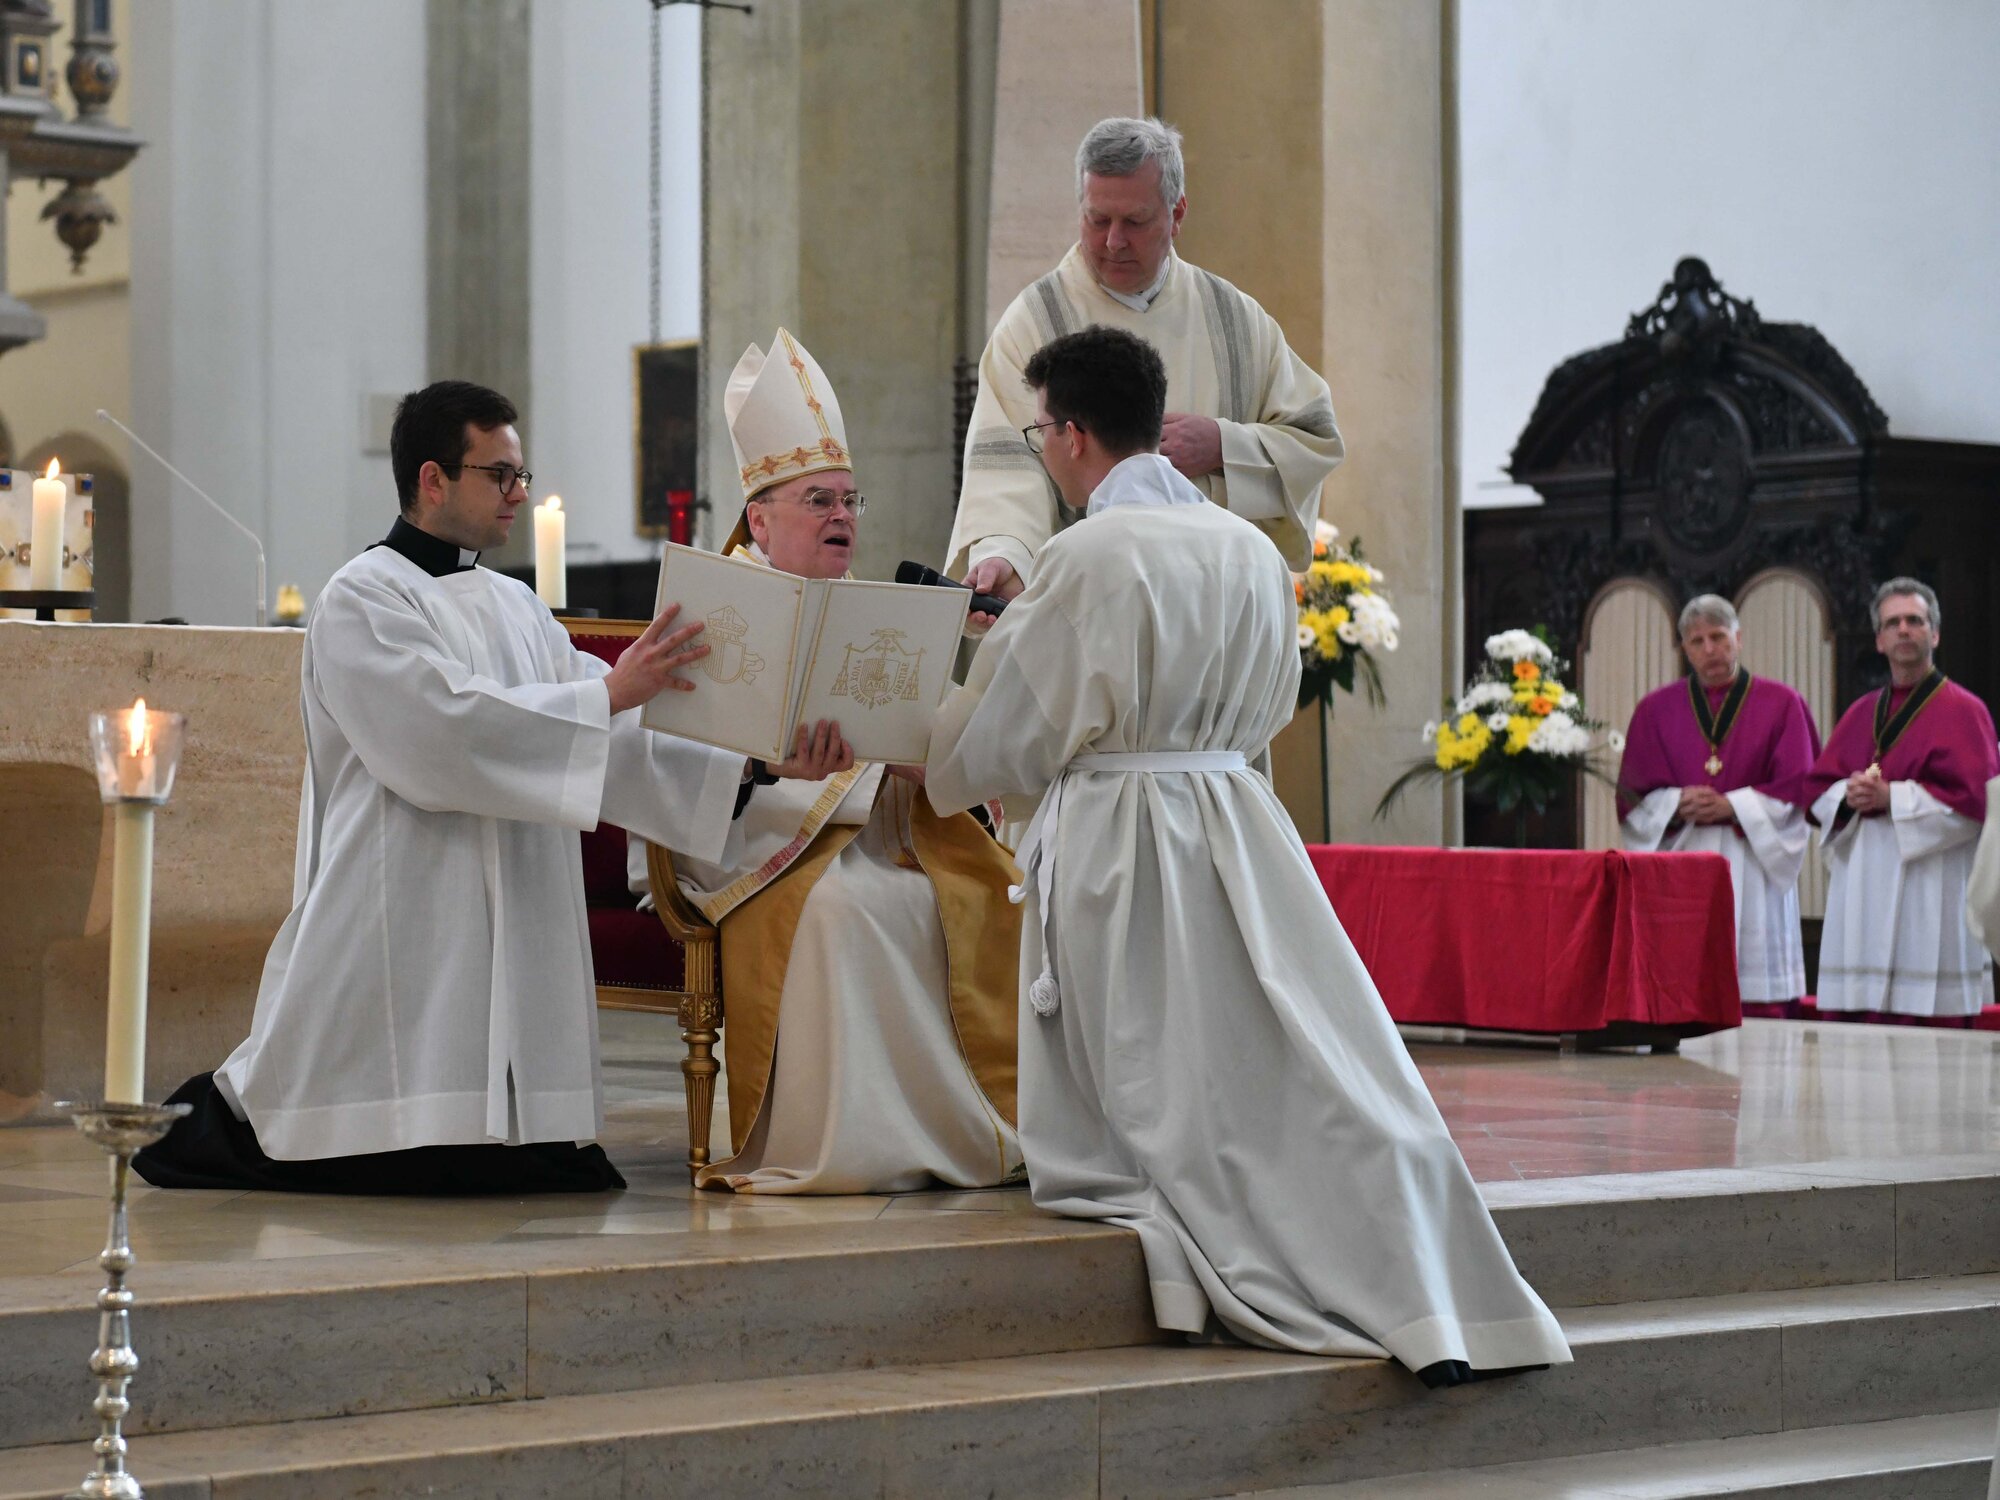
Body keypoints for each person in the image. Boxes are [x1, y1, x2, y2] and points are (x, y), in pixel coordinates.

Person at [924, 325, 1570, 1385]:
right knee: (1271, 1056)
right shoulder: (1252, 553)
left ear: (1075, 434)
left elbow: (1011, 735)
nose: (1042, 452)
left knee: (1162, 1093)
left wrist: (920, 729)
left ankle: (1274, 1252)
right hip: (1236, 818)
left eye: (1041, 432)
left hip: (1121, 837)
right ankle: (1418, 1275)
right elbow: (1261, 705)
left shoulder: (1083, 556)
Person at [136, 381, 841, 1195]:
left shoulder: (516, 605)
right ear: (433, 479)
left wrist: (756, 763)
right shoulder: (362, 598)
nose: (519, 494)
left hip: (516, 876)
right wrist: (610, 691)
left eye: (520, 475)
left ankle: (513, 1131)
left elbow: (612, 738)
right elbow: (441, 734)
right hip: (403, 882)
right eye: (499, 475)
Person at [634, 329, 1022, 1193]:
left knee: (977, 896)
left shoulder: (874, 614)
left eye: (851, 501)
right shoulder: (710, 609)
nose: (843, 517)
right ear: (761, 518)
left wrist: (931, 764)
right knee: (852, 913)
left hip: (878, 833)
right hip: (755, 852)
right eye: (819, 501)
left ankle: (969, 1132)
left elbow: (940, 735)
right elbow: (660, 765)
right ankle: (852, 1145)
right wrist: (769, 770)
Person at [947, 116, 1343, 622]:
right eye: (1097, 220)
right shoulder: (1035, 324)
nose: (1113, 241)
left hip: (1210, 615)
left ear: (1176, 214)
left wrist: (1225, 445)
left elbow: (1316, 439)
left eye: (1133, 222)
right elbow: (1007, 468)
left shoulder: (1236, 321)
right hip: (1090, 616)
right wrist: (1005, 556)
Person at [1800, 579, 1999, 1025]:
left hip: (1931, 882)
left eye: (1915, 621)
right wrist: (1848, 796)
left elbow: (1977, 806)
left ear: (1935, 634)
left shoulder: (1966, 711)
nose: (1904, 630)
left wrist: (1894, 798)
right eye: (1893, 623)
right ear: (1879, 639)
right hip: (1866, 880)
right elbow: (1817, 792)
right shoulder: (1860, 712)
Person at [1617, 595, 1821, 1014]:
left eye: (1718, 637)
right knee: (1684, 985)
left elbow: (1799, 788)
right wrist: (1676, 802)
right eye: (1697, 641)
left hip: (1753, 859)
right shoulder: (1655, 710)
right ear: (1684, 649)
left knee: (1753, 990)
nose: (1709, 649)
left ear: (1738, 638)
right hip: (1684, 859)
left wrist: (1734, 807)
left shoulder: (1782, 704)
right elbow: (1633, 799)